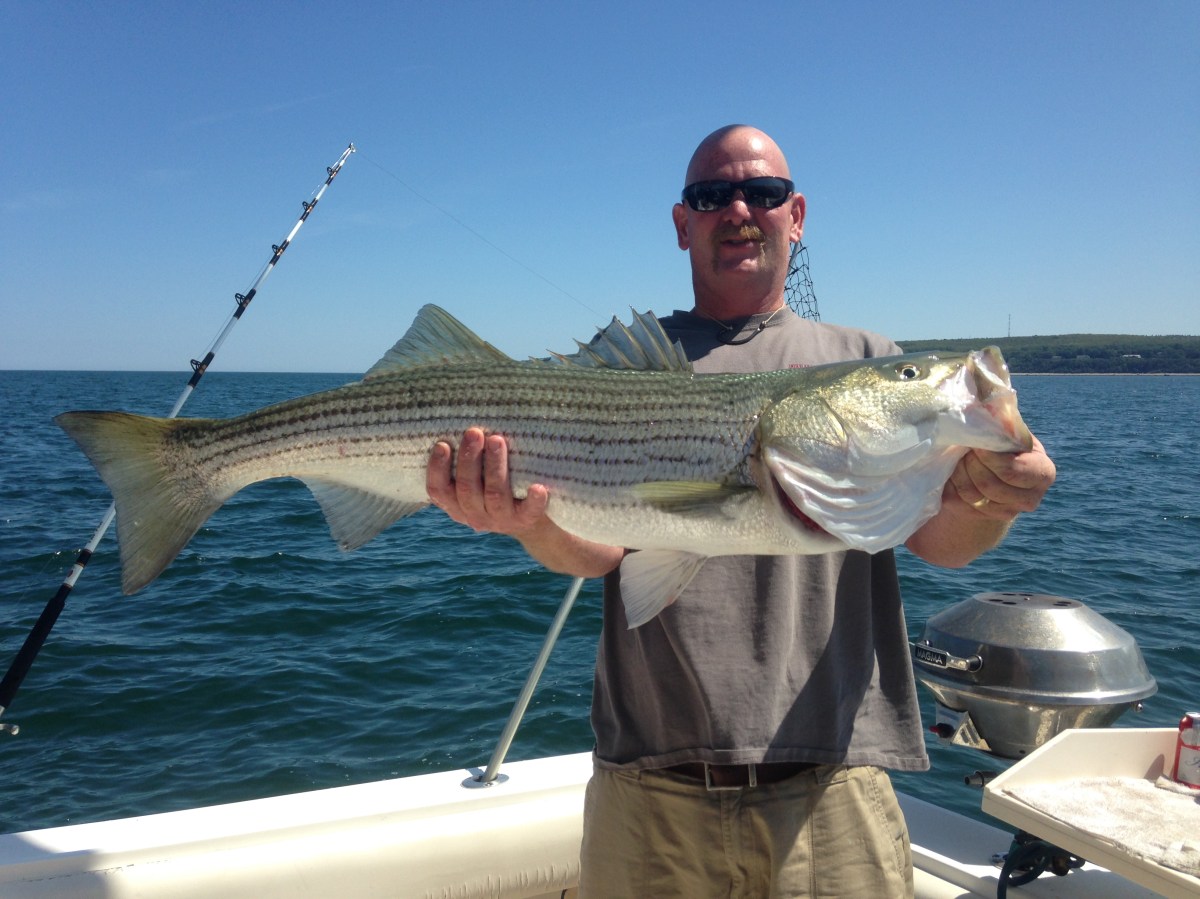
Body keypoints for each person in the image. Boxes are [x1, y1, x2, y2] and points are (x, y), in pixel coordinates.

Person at [426, 125, 1056, 897]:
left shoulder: (861, 354)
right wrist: (530, 522)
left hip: (833, 784)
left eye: (760, 194)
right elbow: (602, 555)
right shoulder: (628, 360)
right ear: (682, 222)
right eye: (710, 195)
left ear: (795, 215)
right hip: (650, 787)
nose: (737, 209)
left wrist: (994, 498)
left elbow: (945, 541)